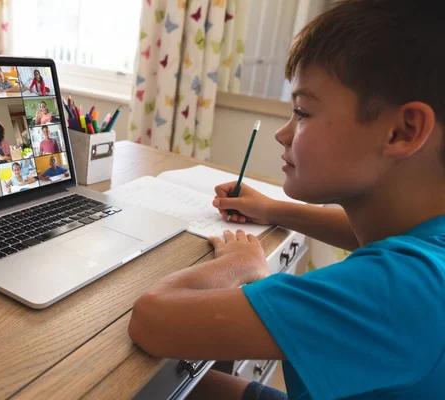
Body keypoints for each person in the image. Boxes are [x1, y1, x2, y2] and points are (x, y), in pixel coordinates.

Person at [128, 1, 445, 399]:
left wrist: (243, 267)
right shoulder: (427, 242)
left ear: (402, 131)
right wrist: (270, 208)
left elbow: (152, 319)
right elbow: (354, 231)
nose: (284, 133)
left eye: (303, 111)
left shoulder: (403, 289)